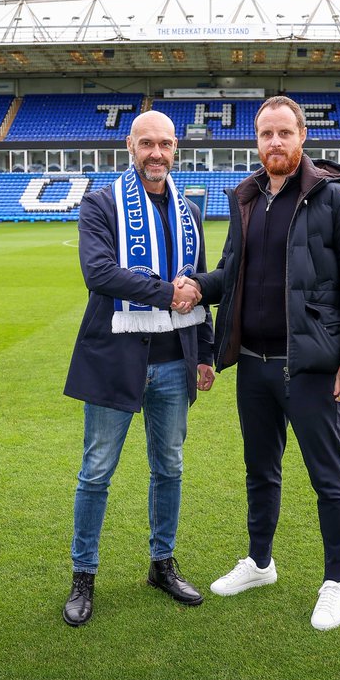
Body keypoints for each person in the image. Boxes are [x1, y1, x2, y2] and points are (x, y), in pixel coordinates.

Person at [179, 95, 340, 631]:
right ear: (257, 140)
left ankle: (335, 582)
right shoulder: (246, 200)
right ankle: (260, 563)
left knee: (327, 478)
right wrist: (197, 286)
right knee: (260, 471)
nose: (274, 143)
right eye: (266, 134)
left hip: (309, 367)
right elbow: (231, 275)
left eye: (283, 134)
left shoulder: (335, 199)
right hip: (253, 364)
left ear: (301, 138)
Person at [62, 110, 215, 627]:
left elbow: (197, 288)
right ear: (130, 145)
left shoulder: (188, 211)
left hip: (175, 363)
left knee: (168, 468)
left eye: (165, 144)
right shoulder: (100, 204)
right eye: (147, 143)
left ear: (176, 149)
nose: (156, 153)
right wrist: (165, 293)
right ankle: (84, 576)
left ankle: (162, 564)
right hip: (117, 360)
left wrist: (208, 352)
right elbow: (99, 273)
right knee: (97, 472)